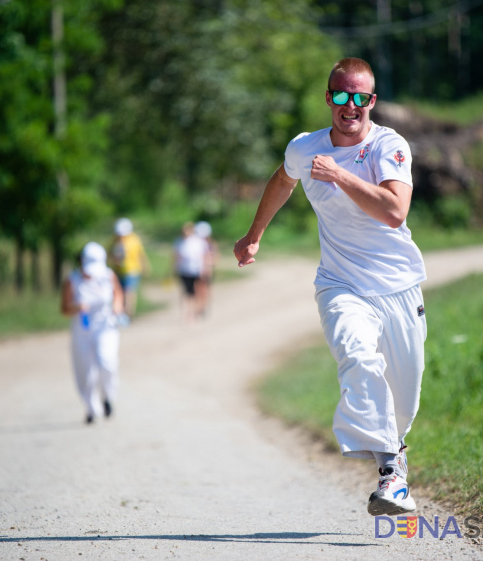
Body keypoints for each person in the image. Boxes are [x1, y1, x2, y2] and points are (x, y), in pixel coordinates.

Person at [234, 57, 427, 516]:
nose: (350, 106)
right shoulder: (306, 148)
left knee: (406, 399)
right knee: (358, 356)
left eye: (360, 97)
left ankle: (395, 454)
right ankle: (389, 475)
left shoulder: (389, 146)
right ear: (329, 98)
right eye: (341, 96)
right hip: (340, 284)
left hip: (398, 287)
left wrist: (340, 175)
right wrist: (254, 234)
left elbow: (395, 211)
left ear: (372, 102)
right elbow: (283, 179)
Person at [61, 242, 126, 424]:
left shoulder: (108, 276)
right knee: (87, 373)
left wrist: (117, 307)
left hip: (106, 328)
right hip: (83, 331)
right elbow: (64, 309)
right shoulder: (72, 280)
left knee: (108, 362)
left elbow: (118, 295)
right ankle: (91, 408)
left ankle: (107, 396)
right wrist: (76, 306)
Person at [109, 217, 151, 318]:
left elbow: (140, 254)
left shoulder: (134, 239)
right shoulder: (114, 241)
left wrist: (145, 266)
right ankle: (122, 313)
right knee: (120, 293)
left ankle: (128, 313)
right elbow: (109, 254)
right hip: (119, 271)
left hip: (133, 270)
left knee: (129, 292)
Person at [173, 222, 210, 323]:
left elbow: (204, 256)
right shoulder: (178, 241)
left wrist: (205, 268)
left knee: (196, 292)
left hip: (197, 270)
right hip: (184, 270)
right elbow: (176, 256)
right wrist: (174, 268)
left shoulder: (198, 242)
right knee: (186, 292)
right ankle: (186, 313)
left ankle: (195, 311)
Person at [194, 220, 219, 317]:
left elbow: (216, 257)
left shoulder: (211, 244)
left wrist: (209, 264)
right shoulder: (196, 243)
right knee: (197, 288)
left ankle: (203, 307)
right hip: (198, 269)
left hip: (207, 270)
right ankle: (199, 306)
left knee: (204, 289)